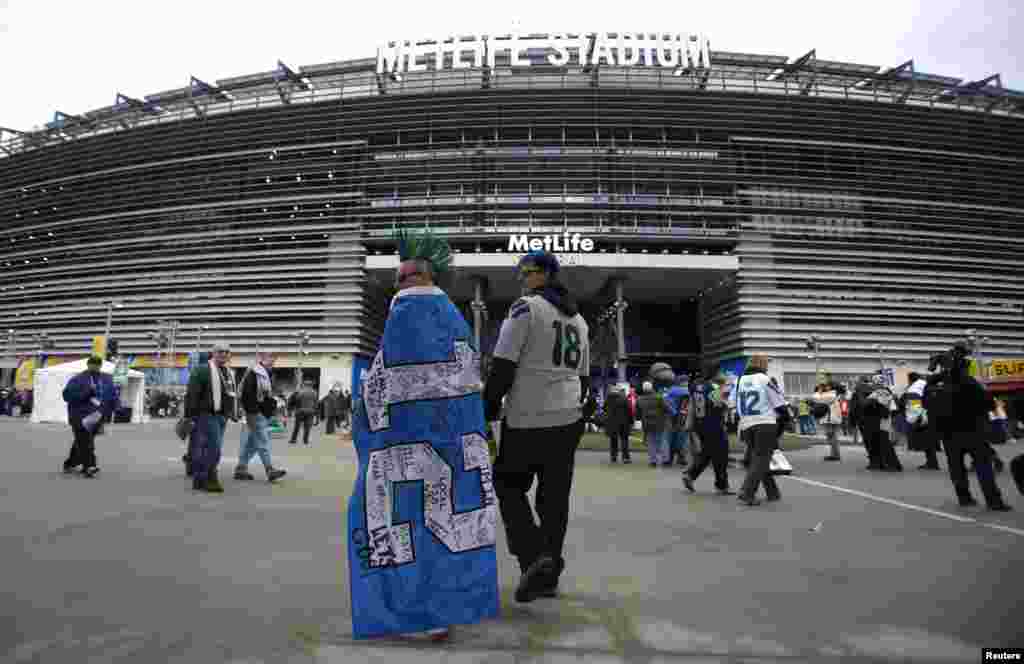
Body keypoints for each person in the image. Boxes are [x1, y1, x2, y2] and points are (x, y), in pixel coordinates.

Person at [347, 229, 498, 641]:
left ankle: (410, 611)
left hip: (402, 458)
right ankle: (446, 609)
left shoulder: (404, 316)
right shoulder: (455, 321)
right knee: (442, 534)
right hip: (451, 452)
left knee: (396, 522)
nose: (399, 283)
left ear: (410, 277)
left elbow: (374, 402)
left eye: (401, 276)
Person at [485, 249, 593, 604]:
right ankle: (549, 574)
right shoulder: (579, 320)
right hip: (568, 418)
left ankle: (533, 558)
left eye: (525, 272)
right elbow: (585, 378)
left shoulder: (525, 309)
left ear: (543, 274)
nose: (522, 279)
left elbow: (503, 366)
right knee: (554, 498)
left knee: (507, 483)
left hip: (528, 417)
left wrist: (485, 410)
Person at [923, 342, 1011, 511]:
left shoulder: (933, 385)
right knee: (983, 466)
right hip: (973, 431)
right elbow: (989, 404)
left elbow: (926, 405)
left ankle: (964, 498)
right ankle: (993, 501)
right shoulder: (970, 383)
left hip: (948, 434)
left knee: (956, 467)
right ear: (964, 367)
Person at [184, 341, 237, 493]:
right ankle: (210, 478)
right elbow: (192, 394)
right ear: (213, 353)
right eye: (220, 351)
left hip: (222, 416)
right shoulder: (202, 370)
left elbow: (231, 394)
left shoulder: (228, 372)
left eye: (227, 352)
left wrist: (234, 411)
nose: (224, 354)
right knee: (214, 448)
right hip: (206, 414)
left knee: (208, 448)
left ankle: (199, 478)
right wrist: (190, 416)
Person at [735, 354, 788, 506]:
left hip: (747, 423)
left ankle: (772, 492)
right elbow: (778, 403)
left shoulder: (741, 380)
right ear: (762, 364)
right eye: (767, 363)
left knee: (758, 458)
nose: (768, 366)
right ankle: (747, 492)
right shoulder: (765, 379)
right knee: (761, 459)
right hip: (764, 422)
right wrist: (785, 417)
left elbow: (736, 404)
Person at [234, 351, 287, 482]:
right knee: (262, 440)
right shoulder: (255, 373)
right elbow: (247, 394)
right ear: (262, 358)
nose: (273, 361)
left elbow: (262, 395)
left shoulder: (263, 373)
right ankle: (270, 470)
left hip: (258, 412)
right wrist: (254, 411)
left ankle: (241, 468)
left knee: (252, 442)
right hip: (256, 413)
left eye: (274, 358)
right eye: (270, 357)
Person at [61, 355, 116, 477]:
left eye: (98, 364)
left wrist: (114, 408)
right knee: (86, 442)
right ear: (88, 364)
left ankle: (71, 463)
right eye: (93, 364)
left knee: (81, 441)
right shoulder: (78, 379)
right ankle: (90, 466)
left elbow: (112, 395)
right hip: (79, 416)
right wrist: (86, 394)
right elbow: (67, 396)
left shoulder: (106, 379)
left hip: (97, 416)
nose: (95, 366)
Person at [683, 372, 734, 495]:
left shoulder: (696, 385)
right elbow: (722, 403)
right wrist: (727, 387)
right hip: (714, 424)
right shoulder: (714, 388)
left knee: (707, 452)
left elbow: (692, 403)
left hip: (700, 423)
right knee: (721, 455)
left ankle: (690, 475)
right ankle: (721, 485)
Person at [851, 375, 902, 471]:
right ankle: (886, 463)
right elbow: (894, 406)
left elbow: (860, 405)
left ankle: (885, 464)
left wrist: (853, 421)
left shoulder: (863, 391)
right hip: (883, 419)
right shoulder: (887, 390)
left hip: (870, 419)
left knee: (875, 442)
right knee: (882, 441)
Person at [903, 372, 941, 470]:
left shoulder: (913, 388)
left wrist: (916, 419)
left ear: (910, 379)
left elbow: (914, 405)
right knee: (930, 441)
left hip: (923, 417)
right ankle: (932, 462)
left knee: (926, 441)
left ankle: (932, 463)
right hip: (935, 415)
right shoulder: (926, 385)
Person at [636, 381, 670, 467]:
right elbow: (666, 408)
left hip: (647, 423)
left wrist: (639, 418)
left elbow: (638, 414)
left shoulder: (639, 399)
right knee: (662, 441)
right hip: (660, 422)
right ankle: (665, 459)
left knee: (651, 442)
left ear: (643, 389)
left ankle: (653, 461)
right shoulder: (659, 397)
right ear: (651, 388)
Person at [664, 375, 691, 468]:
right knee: (682, 439)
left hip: (671, 418)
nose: (687, 383)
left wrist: (673, 412)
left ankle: (669, 459)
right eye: (686, 381)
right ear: (683, 382)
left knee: (671, 438)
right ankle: (681, 458)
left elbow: (666, 403)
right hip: (682, 417)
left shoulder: (669, 391)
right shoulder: (686, 391)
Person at [603, 383, 633, 464]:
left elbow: (604, 408)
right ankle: (625, 458)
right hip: (624, 422)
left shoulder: (608, 398)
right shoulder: (624, 398)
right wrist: (631, 421)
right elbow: (629, 410)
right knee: (624, 440)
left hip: (612, 422)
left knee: (613, 440)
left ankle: (613, 456)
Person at [813, 383, 842, 461]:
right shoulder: (832, 395)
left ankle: (835, 455)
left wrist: (819, 392)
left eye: (827, 386)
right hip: (832, 418)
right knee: (832, 436)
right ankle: (834, 454)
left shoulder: (830, 395)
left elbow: (816, 398)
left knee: (831, 436)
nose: (825, 387)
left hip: (830, 419)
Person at [288, 379, 319, 445]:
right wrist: (316, 414)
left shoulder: (301, 392)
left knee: (297, 426)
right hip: (310, 411)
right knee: (307, 427)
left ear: (305, 385)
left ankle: (293, 439)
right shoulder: (314, 393)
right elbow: (316, 404)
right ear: (311, 385)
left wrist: (294, 408)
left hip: (300, 410)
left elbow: (297, 400)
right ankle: (305, 440)